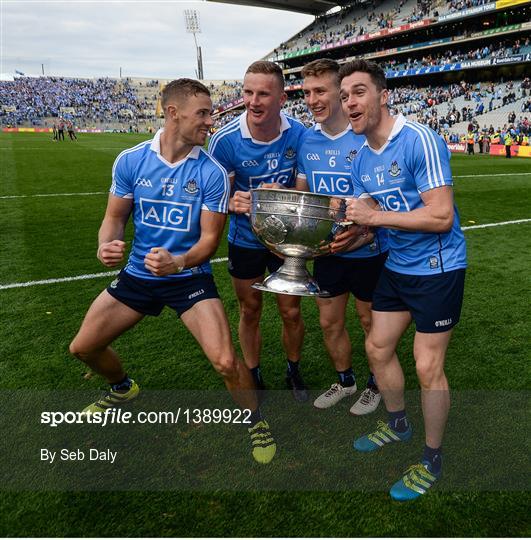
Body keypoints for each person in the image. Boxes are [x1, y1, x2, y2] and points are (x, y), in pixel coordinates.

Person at [69, 79, 276, 465]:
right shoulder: (131, 161)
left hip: (189, 279)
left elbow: (209, 243)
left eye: (210, 113)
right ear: (172, 113)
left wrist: (178, 263)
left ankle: (256, 420)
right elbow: (113, 220)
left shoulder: (212, 173)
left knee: (226, 362)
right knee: (83, 348)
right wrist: (106, 245)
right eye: (202, 113)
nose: (209, 121)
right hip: (138, 277)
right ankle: (122, 388)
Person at [339, 60, 467, 501]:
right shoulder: (361, 159)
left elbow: (440, 216)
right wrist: (351, 232)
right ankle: (397, 423)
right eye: (344, 96)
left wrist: (373, 216)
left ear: (382, 94)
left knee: (428, 365)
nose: (349, 102)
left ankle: (433, 457)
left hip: (438, 268)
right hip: (398, 266)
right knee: (376, 347)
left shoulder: (419, 140)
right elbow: (372, 218)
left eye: (358, 92)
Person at [208, 61, 309, 402]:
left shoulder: (299, 134)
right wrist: (231, 201)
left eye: (263, 93)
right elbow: (213, 199)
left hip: (287, 240)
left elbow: (305, 189)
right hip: (245, 239)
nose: (253, 100)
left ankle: (293, 369)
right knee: (249, 309)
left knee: (290, 310)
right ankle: (253, 372)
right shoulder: (224, 140)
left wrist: (279, 198)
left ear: (282, 98)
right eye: (248, 92)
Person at [295, 59, 388, 415]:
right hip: (327, 252)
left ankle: (375, 384)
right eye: (306, 93)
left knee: (370, 322)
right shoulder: (307, 139)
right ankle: (346, 381)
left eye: (321, 91)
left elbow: (384, 195)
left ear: (341, 91)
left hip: (369, 250)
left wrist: (365, 229)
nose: (312, 99)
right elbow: (305, 196)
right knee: (329, 322)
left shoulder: (366, 133)